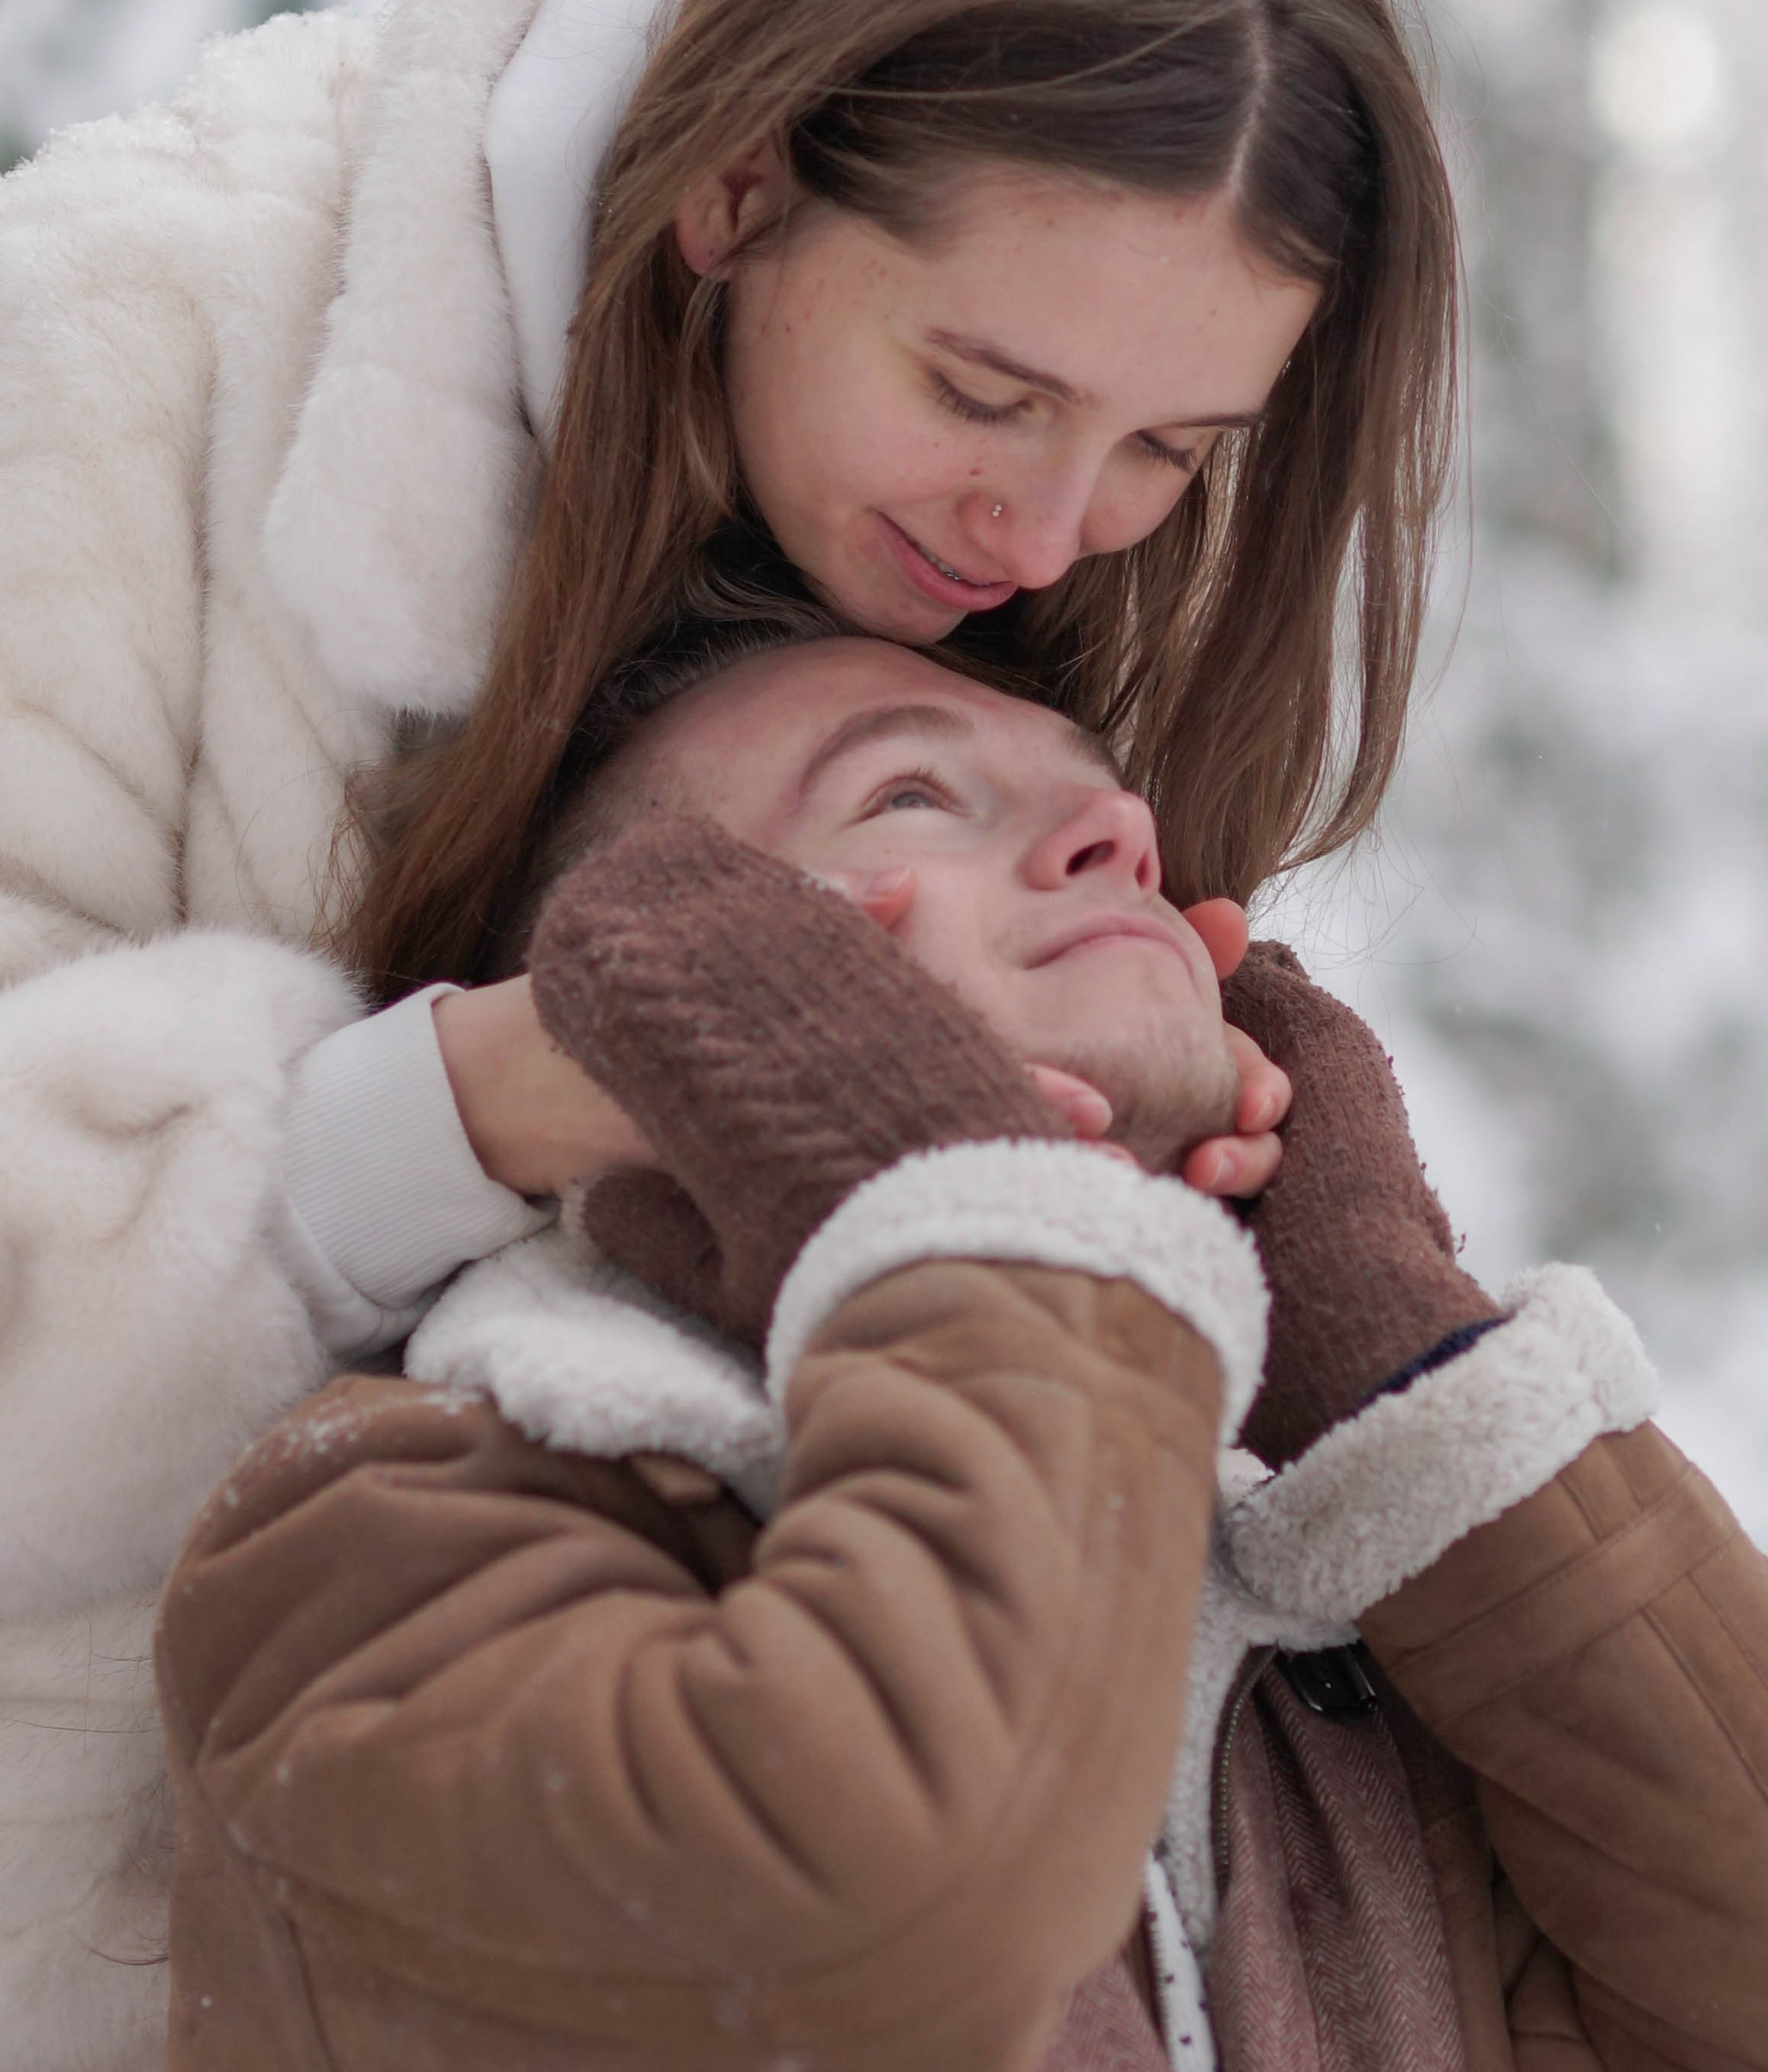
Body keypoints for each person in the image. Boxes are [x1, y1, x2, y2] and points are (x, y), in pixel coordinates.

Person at [0, 0, 1453, 2066]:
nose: (1042, 525)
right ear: (736, 183)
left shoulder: (1026, 572)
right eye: (982, 393)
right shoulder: (113, 363)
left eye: (1170, 445)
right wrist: (472, 1105)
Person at [156, 629, 1768, 2071]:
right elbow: (882, 1949)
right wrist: (967, 1207)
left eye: (1105, 803)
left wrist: (1389, 1344)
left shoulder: (1351, 1616)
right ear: (658, 996)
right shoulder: (380, 1543)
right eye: (914, 794)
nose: (1121, 835)